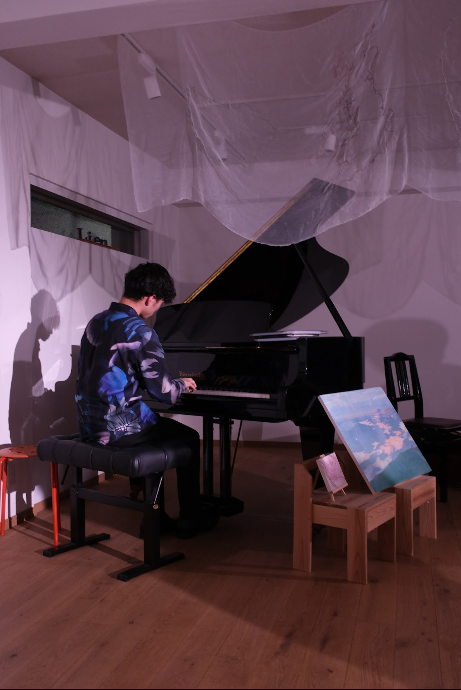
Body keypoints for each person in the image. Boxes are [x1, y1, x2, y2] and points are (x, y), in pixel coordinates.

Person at [75, 261, 219, 538]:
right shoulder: (140, 331)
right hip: (120, 428)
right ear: (151, 298)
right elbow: (164, 392)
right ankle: (190, 517)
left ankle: (156, 517)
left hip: (89, 424)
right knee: (189, 437)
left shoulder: (97, 321)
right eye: (160, 303)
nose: (157, 309)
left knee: (157, 427)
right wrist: (182, 383)